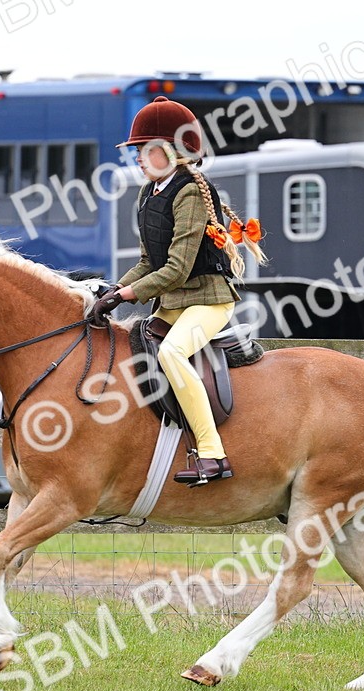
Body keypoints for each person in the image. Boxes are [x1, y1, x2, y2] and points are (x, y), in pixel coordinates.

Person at [90, 96, 266, 486]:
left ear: (169, 151)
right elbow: (149, 262)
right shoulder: (147, 194)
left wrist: (126, 296)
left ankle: (212, 453)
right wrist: (113, 287)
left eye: (143, 150)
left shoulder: (188, 193)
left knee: (171, 352)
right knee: (133, 344)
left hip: (209, 301)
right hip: (174, 304)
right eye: (136, 150)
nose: (136, 157)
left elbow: (176, 269)